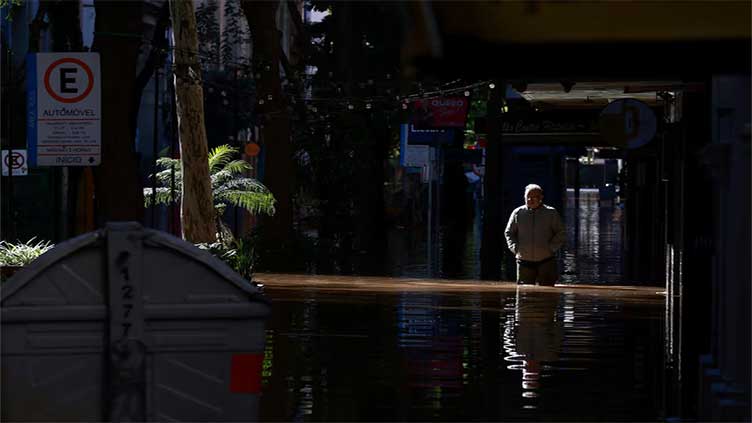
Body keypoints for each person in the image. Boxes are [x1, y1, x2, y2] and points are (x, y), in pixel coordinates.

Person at [504, 184, 565, 286]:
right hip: (523, 261)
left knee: (548, 295)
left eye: (533, 197)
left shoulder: (551, 213)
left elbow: (561, 233)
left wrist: (551, 248)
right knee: (524, 295)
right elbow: (509, 233)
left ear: (541, 198)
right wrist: (515, 249)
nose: (529, 200)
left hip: (546, 261)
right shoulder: (517, 213)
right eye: (527, 197)